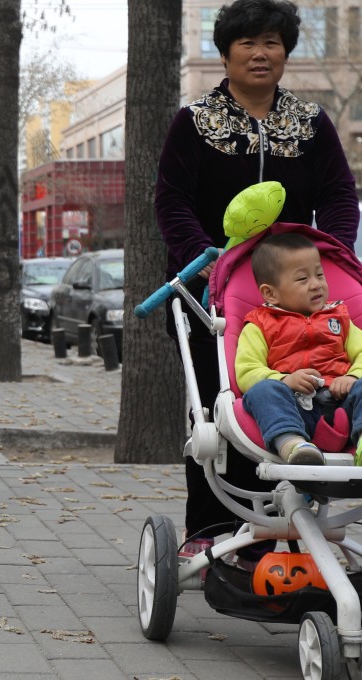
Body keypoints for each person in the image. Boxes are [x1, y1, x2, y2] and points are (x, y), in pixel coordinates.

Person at [154, 0, 360, 561]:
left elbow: (340, 194)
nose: (260, 53)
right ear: (225, 54)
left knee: (302, 400)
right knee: (216, 410)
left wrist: (330, 254)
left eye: (271, 42)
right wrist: (206, 259)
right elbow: (171, 200)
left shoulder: (311, 123)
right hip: (209, 296)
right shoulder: (194, 120)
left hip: (298, 300)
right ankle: (210, 527)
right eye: (247, 43)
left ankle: (292, 524)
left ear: (286, 52)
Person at [237, 233, 362, 466]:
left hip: (341, 400)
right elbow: (246, 370)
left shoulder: (339, 317)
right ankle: (293, 444)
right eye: (303, 279)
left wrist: (353, 376)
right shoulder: (259, 325)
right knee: (262, 390)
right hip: (293, 406)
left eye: (319, 274)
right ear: (270, 293)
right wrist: (284, 379)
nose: (316, 284)